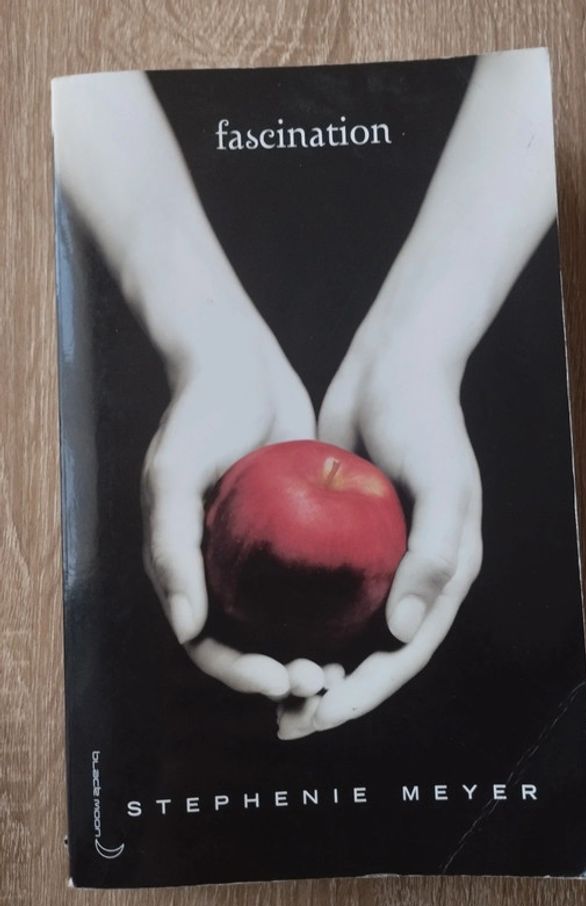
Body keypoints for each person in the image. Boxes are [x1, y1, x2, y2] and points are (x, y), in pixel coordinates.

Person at [52, 49, 556, 739]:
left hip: (486, 250)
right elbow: (58, 49)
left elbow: (552, 51)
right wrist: (201, 331)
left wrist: (424, 344)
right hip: (158, 239)